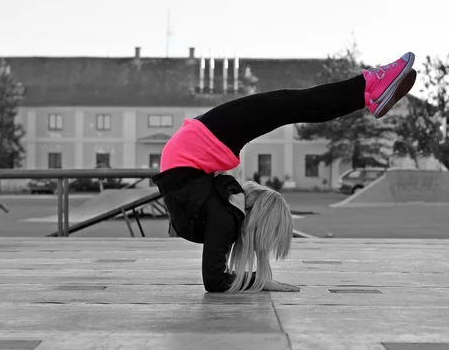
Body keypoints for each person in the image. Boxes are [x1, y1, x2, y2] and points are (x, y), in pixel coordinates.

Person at [151, 52, 417, 293]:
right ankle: (369, 91)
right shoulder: (224, 219)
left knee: (288, 104)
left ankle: (370, 88)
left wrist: (257, 280)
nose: (250, 189)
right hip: (192, 148)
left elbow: (214, 281)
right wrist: (259, 280)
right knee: (289, 105)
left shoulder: (225, 218)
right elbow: (215, 280)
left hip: (194, 146)